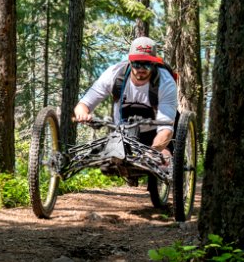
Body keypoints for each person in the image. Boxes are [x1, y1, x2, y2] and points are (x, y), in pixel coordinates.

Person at [74, 37, 178, 180]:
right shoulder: (115, 74)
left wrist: (153, 152)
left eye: (146, 64)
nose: (141, 69)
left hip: (157, 130)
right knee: (107, 165)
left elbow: (165, 130)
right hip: (125, 132)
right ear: (129, 61)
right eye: (136, 63)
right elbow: (83, 104)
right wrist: (83, 114)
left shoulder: (166, 83)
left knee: (162, 160)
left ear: (154, 63)